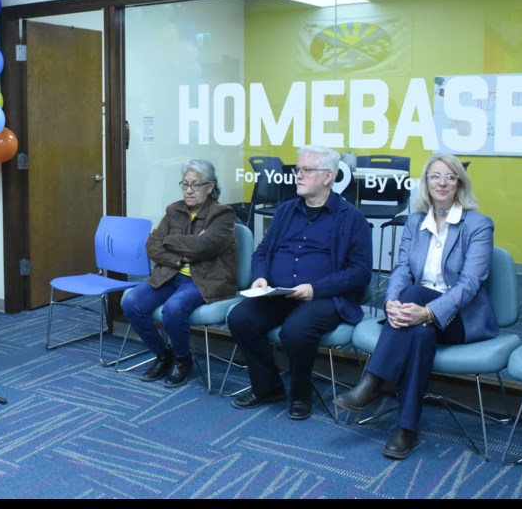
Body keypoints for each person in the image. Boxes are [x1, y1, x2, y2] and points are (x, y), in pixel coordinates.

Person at [333, 153, 495, 459]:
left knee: (418, 294)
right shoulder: (416, 222)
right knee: (420, 330)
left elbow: (470, 284)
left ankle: (373, 382)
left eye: (450, 176)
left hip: (459, 319)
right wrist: (393, 302)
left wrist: (429, 310)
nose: (442, 182)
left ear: (460, 182)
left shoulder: (478, 225)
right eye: (435, 176)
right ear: (426, 183)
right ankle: (407, 428)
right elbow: (402, 268)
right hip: (415, 317)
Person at [227, 145, 372, 420]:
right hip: (277, 293)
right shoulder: (285, 212)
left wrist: (316, 288)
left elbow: (360, 272)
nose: (298, 175)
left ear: (328, 176)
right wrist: (260, 276)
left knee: (295, 331)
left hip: (324, 297)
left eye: (307, 170)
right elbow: (262, 252)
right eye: (298, 170)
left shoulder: (351, 218)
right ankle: (268, 387)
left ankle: (301, 394)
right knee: (239, 318)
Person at [120, 159, 237, 387]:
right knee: (131, 303)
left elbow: (207, 246)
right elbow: (152, 245)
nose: (189, 191)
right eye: (184, 184)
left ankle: (183, 359)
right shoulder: (174, 210)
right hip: (170, 274)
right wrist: (180, 256)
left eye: (195, 185)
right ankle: (164, 355)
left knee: (174, 309)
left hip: (204, 279)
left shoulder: (223, 214)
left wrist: (170, 241)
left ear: (210, 187)